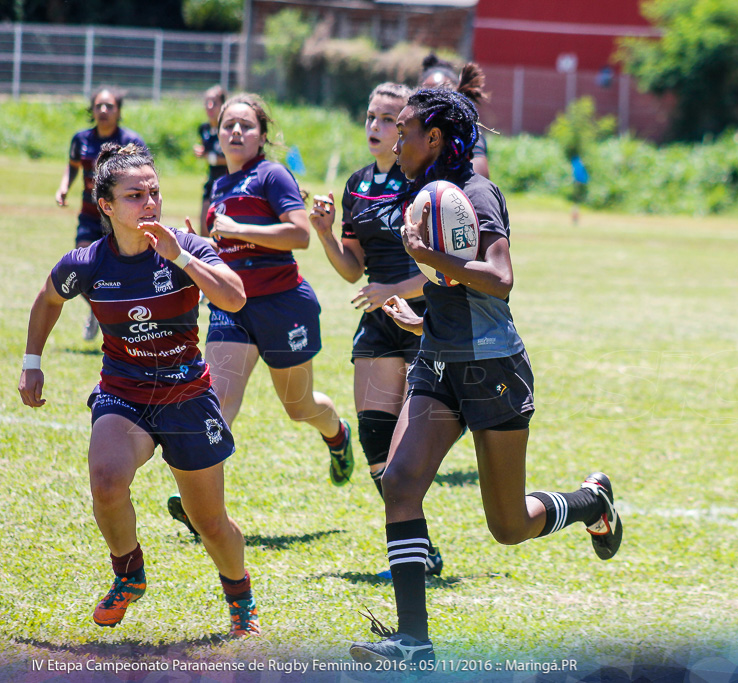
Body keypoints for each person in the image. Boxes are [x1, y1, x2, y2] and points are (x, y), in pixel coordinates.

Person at [347, 87, 623, 665]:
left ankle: (591, 502)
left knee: (508, 524)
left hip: (493, 368)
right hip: (440, 364)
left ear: (436, 139)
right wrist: (423, 320)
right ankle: (414, 642)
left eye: (407, 128)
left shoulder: (475, 192)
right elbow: (451, 286)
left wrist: (429, 257)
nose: (397, 138)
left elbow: (498, 278)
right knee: (399, 484)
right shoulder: (422, 192)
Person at [20, 143, 260, 637]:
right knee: (106, 481)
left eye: (154, 192)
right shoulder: (86, 263)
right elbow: (47, 300)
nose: (149, 203)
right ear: (105, 205)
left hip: (186, 396)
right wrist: (32, 362)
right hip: (124, 394)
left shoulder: (185, 247)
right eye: (134, 195)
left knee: (210, 522)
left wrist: (181, 257)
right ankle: (128, 573)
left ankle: (240, 596)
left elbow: (234, 297)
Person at [167, 93, 352, 537]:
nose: (235, 132)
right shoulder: (219, 185)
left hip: (283, 305)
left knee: (298, 406)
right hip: (233, 307)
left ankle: (339, 434)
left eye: (246, 126)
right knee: (217, 402)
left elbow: (299, 235)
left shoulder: (272, 174)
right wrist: (204, 245)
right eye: (228, 124)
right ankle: (201, 506)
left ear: (262, 135)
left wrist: (234, 229)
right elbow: (230, 250)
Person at [309, 82, 443, 576]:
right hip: (376, 321)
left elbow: (439, 268)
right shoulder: (357, 184)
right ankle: (421, 546)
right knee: (373, 439)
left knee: (410, 446)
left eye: (388, 119)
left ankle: (413, 549)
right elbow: (352, 268)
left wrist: (392, 290)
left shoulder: (423, 184)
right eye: (371, 116)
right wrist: (324, 234)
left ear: (407, 128)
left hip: (423, 318)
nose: (376, 127)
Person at [54, 86, 147, 340]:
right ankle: (99, 309)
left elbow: (145, 177)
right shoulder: (81, 140)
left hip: (119, 218)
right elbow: (73, 166)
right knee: (82, 264)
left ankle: (117, 315)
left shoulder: (131, 141)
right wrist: (64, 188)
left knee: (119, 267)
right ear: (92, 110)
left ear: (119, 111)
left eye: (109, 106)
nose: (104, 110)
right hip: (90, 214)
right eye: (99, 106)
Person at [419, 54, 491, 179]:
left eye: (442, 92)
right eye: (427, 92)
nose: (433, 99)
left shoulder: (467, 134)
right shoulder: (408, 132)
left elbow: (478, 180)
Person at [193, 85, 228, 236]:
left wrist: (210, 157)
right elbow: (208, 152)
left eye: (214, 102)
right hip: (212, 182)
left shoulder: (229, 128)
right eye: (207, 102)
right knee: (204, 229)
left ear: (223, 105)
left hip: (229, 183)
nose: (209, 106)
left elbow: (234, 158)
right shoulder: (204, 129)